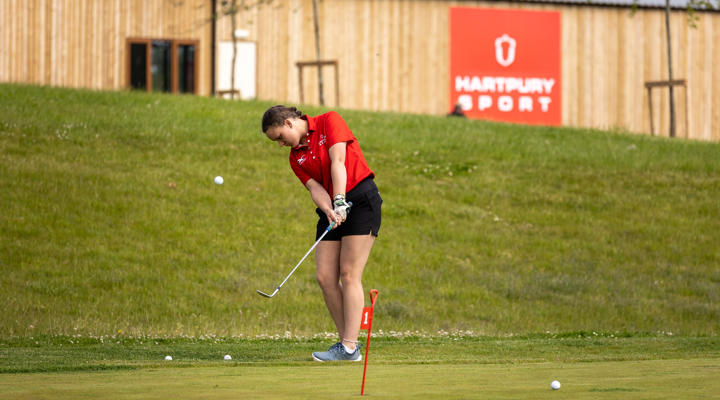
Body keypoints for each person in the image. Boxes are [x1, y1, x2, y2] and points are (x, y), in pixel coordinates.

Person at [261, 105, 382, 362]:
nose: (281, 144)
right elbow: (315, 189)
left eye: (280, 137)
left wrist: (340, 200)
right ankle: (346, 345)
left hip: (360, 200)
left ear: (289, 122)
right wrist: (329, 209)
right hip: (332, 208)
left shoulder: (329, 121)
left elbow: (338, 161)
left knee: (349, 273)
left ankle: (349, 346)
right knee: (325, 277)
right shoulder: (296, 158)